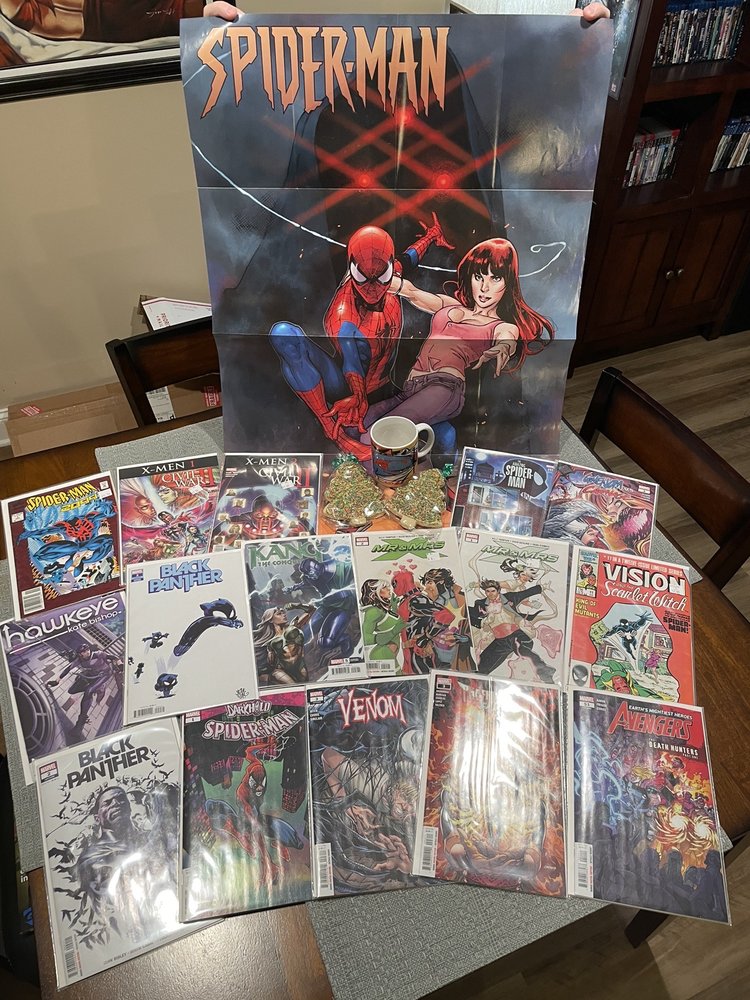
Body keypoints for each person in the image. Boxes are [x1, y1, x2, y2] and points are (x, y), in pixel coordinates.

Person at [359, 238, 554, 442]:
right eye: (479, 277)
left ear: (508, 283)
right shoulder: (450, 305)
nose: (484, 287)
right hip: (412, 388)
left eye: (495, 278)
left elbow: (508, 338)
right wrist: (373, 277)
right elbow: (411, 292)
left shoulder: (502, 326)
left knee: (371, 437)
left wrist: (503, 347)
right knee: (359, 422)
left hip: (445, 389)